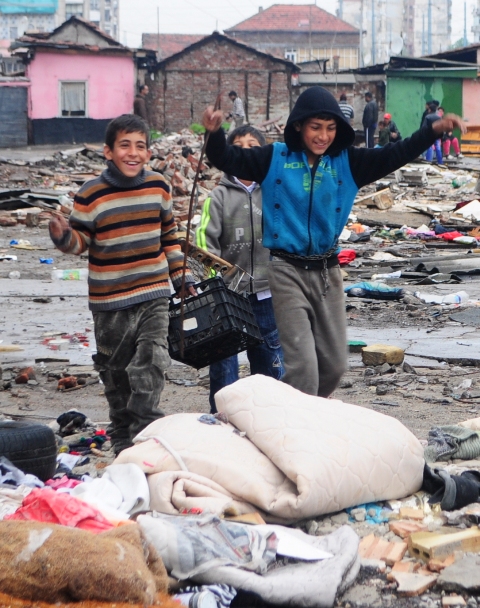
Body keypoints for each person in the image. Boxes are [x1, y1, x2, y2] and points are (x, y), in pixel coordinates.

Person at [201, 86, 465, 398]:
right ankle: (296, 436)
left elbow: (396, 153)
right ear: (299, 125)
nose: (323, 136)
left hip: (328, 273)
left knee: (334, 366)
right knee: (303, 370)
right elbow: (227, 158)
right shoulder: (274, 159)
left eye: (330, 128)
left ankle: (293, 413)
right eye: (315, 127)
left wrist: (432, 130)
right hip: (286, 272)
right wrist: (214, 133)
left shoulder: (348, 163)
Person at [48, 114, 196, 455]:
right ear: (108, 152)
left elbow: (169, 237)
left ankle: (147, 431)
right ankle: (123, 439)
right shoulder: (91, 195)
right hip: (109, 300)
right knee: (116, 375)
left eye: (140, 146)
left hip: (153, 293)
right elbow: (80, 244)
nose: (133, 153)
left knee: (151, 361)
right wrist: (62, 237)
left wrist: (181, 277)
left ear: (148, 152)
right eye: (125, 145)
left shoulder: (158, 186)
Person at [196, 125, 284, 412]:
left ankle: (267, 419)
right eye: (237, 145)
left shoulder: (274, 193)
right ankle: (223, 421)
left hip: (266, 294)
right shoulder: (218, 197)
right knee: (224, 367)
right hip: (227, 298)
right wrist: (215, 285)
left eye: (252, 145)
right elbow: (205, 245)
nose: (245, 151)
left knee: (270, 363)